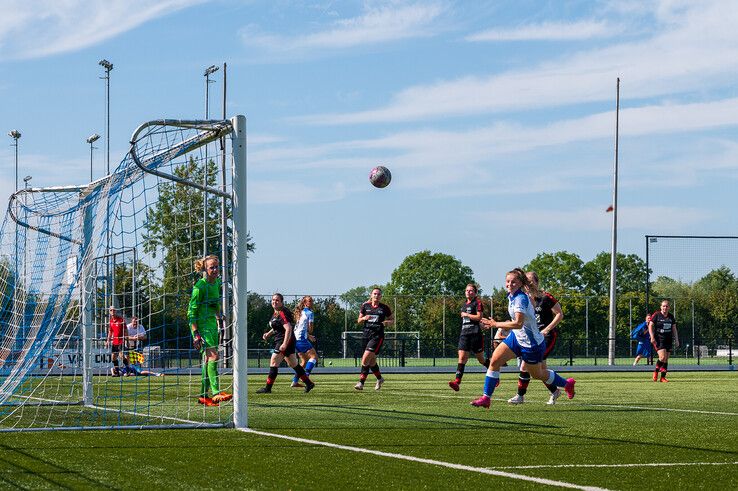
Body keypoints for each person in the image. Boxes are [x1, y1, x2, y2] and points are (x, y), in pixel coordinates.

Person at [471, 268, 575, 409]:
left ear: (520, 283)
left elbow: (518, 323)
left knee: (538, 374)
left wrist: (495, 324)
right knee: (494, 360)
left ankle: (567, 384)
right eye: (507, 281)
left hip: (531, 343)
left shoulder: (520, 298)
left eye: (513, 282)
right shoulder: (513, 296)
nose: (509, 284)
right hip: (517, 337)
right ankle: (486, 398)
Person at [507, 271, 565, 405]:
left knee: (526, 366)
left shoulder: (545, 297)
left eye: (531, 281)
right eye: (526, 281)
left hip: (546, 337)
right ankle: (556, 390)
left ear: (537, 283)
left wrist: (547, 329)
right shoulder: (523, 298)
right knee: (539, 370)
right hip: (531, 338)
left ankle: (520, 396)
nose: (528, 284)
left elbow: (559, 314)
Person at [188, 255, 232, 406]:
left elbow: (214, 303)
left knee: (207, 360)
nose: (215, 269)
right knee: (213, 356)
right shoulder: (199, 287)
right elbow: (190, 313)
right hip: (201, 326)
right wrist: (195, 334)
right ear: (205, 269)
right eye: (211, 267)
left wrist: (220, 316)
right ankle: (216, 392)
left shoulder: (217, 283)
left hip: (212, 324)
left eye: (216, 266)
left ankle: (202, 396)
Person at [256, 293, 316, 394]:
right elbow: (277, 326)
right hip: (285, 340)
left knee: (274, 362)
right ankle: (309, 383)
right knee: (294, 364)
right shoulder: (276, 312)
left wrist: (284, 344)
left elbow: (288, 328)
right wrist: (268, 334)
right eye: (273, 300)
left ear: (281, 302)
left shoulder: (282, 312)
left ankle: (268, 388)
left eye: (277, 300)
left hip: (284, 341)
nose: (274, 302)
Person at [448, 284, 490, 391]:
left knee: (481, 360)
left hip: (475, 335)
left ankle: (494, 373)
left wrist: (468, 316)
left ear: (475, 293)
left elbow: (479, 317)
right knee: (462, 358)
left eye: (471, 291)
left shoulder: (477, 303)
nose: (468, 292)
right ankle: (457, 382)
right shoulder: (464, 305)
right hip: (464, 335)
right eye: (467, 290)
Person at [355, 288, 394, 391]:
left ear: (381, 296)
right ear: (371, 295)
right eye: (375, 294)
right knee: (371, 361)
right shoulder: (365, 306)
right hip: (366, 335)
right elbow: (359, 320)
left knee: (365, 358)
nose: (376, 295)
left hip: (377, 336)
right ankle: (380, 379)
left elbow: (392, 320)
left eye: (378, 294)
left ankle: (361, 383)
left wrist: (387, 322)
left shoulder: (384, 308)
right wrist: (364, 318)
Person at [290, 295, 319, 388]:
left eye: (312, 301)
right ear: (305, 303)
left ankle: (294, 381)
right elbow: (310, 329)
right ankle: (306, 377)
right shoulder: (310, 313)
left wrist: (308, 336)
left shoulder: (301, 312)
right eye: (310, 301)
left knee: (304, 362)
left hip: (295, 339)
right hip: (301, 339)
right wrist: (309, 333)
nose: (312, 302)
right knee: (314, 357)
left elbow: (300, 328)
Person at [649, 300, 679, 382]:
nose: (665, 307)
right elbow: (650, 325)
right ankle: (655, 372)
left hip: (668, 340)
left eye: (666, 306)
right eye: (663, 306)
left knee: (666, 359)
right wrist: (652, 337)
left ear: (669, 307)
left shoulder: (671, 317)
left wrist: (676, 340)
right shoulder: (657, 315)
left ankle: (662, 377)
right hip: (659, 339)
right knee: (662, 357)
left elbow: (674, 329)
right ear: (661, 307)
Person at [106, 307, 131, 377]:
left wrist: (127, 341)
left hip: (121, 341)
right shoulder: (111, 321)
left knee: (121, 356)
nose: (112, 311)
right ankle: (117, 372)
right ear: (109, 312)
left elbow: (126, 331)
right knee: (113, 358)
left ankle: (128, 368)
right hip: (114, 342)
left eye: (114, 310)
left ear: (116, 311)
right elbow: (110, 332)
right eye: (111, 310)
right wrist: (108, 341)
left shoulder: (121, 320)